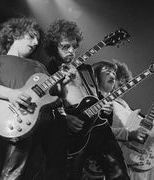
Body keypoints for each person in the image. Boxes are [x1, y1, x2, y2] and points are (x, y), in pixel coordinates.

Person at [0, 17, 67, 180]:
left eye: (38, 38)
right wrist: (11, 94)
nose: (36, 42)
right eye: (31, 36)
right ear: (14, 35)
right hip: (20, 118)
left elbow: (54, 97)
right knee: (14, 173)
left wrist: (64, 81)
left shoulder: (39, 66)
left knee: (56, 170)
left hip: (48, 121)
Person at [43, 19, 130, 180]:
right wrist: (64, 118)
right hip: (71, 136)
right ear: (53, 48)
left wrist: (106, 111)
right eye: (65, 46)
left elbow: (95, 99)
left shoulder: (86, 69)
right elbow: (43, 108)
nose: (71, 51)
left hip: (99, 130)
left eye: (74, 46)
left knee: (120, 175)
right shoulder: (46, 73)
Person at [83, 60, 154, 180]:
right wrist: (128, 134)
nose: (113, 76)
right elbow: (94, 130)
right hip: (116, 162)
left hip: (138, 161)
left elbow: (146, 126)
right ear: (96, 76)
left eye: (114, 73)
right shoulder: (93, 101)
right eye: (108, 72)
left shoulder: (123, 104)